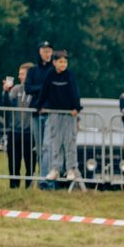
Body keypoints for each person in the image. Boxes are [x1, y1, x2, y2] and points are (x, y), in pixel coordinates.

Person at [33, 51, 82, 185]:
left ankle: (70, 169)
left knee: (69, 141)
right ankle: (55, 168)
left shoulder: (69, 75)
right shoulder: (50, 75)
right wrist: (39, 106)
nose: (63, 64)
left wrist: (76, 107)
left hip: (69, 113)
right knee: (55, 141)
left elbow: (74, 91)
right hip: (55, 112)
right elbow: (44, 90)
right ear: (54, 62)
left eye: (65, 62)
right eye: (60, 62)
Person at [0, 62, 35, 188]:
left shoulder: (36, 89)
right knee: (14, 162)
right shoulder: (16, 89)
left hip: (30, 132)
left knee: (30, 162)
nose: (19, 76)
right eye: (19, 74)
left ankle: (29, 186)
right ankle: (14, 186)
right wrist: (5, 92)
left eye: (22, 74)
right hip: (14, 131)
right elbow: (6, 106)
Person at [24, 40, 54, 184]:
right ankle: (43, 176)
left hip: (50, 112)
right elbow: (28, 88)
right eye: (44, 50)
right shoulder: (33, 70)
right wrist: (43, 88)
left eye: (49, 50)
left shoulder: (54, 70)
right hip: (36, 112)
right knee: (40, 147)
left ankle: (46, 179)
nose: (46, 53)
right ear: (39, 52)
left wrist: (41, 88)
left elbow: (54, 88)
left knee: (48, 146)